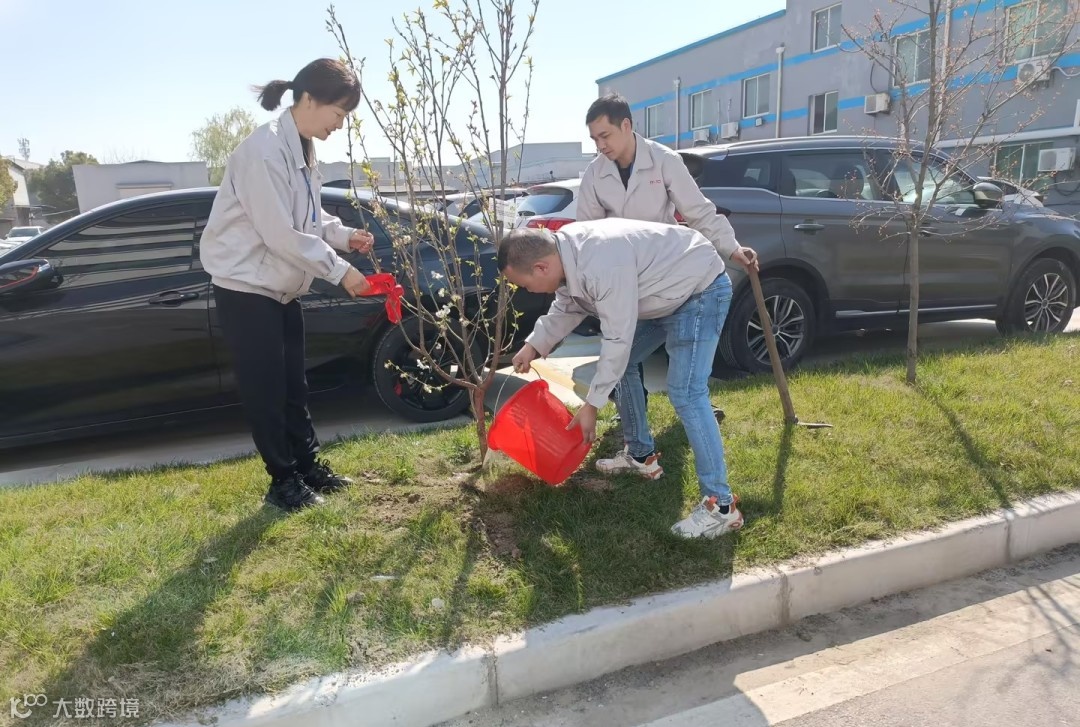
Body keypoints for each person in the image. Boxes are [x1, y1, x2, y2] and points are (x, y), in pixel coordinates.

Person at [502, 218, 759, 539]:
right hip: (661, 294)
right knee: (622, 369)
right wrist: (533, 345)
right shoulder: (564, 255)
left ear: (541, 267)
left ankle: (721, 507)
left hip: (698, 291)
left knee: (687, 393)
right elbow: (567, 306)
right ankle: (641, 456)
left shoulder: (601, 262)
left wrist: (592, 404)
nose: (527, 291)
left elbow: (618, 340)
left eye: (525, 284)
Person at [200, 58, 377, 513]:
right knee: (267, 390)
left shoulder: (301, 147)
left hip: (280, 288)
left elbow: (310, 217)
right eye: (339, 113)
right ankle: (283, 481)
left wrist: (344, 236)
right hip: (247, 288)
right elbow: (281, 233)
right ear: (309, 99)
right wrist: (341, 270)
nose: (341, 124)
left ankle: (307, 466)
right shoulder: (264, 152)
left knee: (294, 386)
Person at [578, 93, 755, 423]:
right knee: (621, 350)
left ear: (626, 125)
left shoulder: (663, 160)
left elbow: (699, 211)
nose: (600, 146)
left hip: (666, 271)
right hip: (624, 277)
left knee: (683, 343)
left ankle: (697, 403)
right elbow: (587, 233)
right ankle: (633, 416)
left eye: (605, 136)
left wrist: (732, 247)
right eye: (594, 139)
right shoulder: (594, 174)